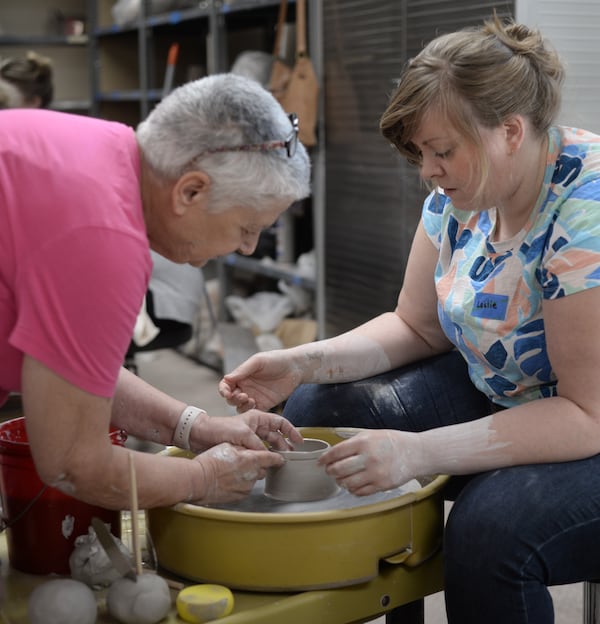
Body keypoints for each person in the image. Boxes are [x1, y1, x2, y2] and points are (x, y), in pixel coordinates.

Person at [219, 15, 600, 623]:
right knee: (321, 410)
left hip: (585, 424)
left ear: (510, 131)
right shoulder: (459, 196)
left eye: (442, 151)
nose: (427, 170)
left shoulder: (585, 209)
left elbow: (586, 416)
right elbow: (416, 326)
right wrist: (299, 362)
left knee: (488, 530)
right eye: (422, 152)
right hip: (509, 393)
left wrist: (417, 452)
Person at [0, 73, 311, 511]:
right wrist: (202, 476)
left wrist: (197, 428)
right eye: (248, 228)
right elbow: (73, 461)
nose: (248, 248)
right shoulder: (103, 238)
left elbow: (74, 374)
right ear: (191, 191)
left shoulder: (104, 147)